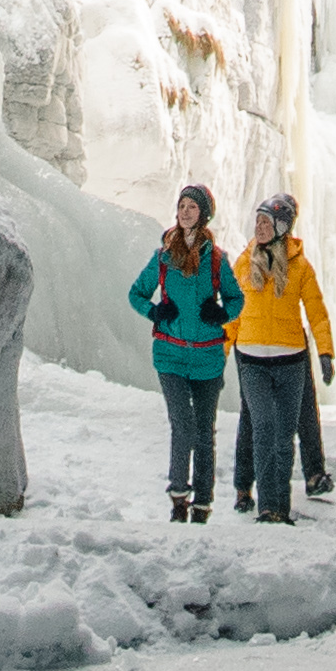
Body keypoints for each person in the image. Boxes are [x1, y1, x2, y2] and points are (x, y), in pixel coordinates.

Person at [225, 191, 336, 520]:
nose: (260, 228)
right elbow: (232, 314)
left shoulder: (300, 267)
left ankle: (280, 506)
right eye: (258, 221)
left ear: (282, 227)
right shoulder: (244, 262)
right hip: (251, 360)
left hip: (290, 360)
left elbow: (317, 312)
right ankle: (265, 506)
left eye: (267, 222)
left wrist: (326, 352)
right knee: (261, 428)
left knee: (281, 438)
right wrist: (217, 357)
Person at [129, 189, 241, 521]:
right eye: (181, 206)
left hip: (207, 357)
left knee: (204, 429)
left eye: (192, 207)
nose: (185, 212)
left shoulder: (217, 259)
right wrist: (154, 312)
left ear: (204, 214)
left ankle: (203, 502)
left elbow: (236, 299)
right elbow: (136, 294)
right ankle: (179, 496)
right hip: (170, 356)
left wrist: (221, 314)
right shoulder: (163, 256)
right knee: (183, 424)